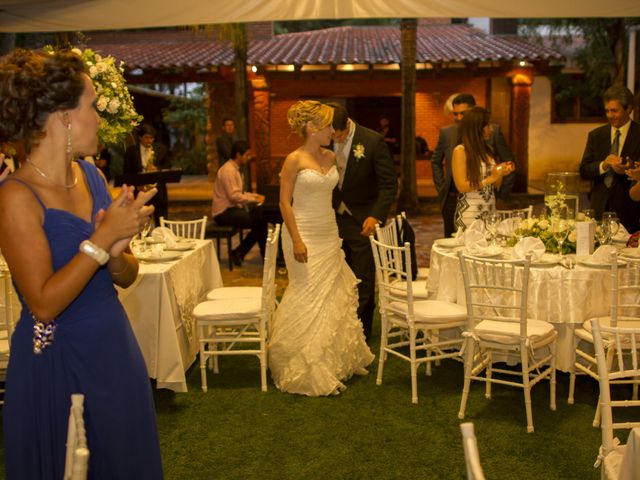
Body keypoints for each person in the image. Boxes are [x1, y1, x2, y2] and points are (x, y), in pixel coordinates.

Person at [0, 48, 163, 479]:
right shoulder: (16, 197)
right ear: (64, 116)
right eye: (92, 105)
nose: (98, 116)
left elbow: (127, 274)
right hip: (57, 361)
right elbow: (43, 303)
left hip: (113, 349)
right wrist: (100, 240)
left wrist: (115, 253)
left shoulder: (90, 175)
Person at [269, 100, 374, 396]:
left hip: (328, 231)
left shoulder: (330, 155)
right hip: (302, 232)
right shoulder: (294, 159)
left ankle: (334, 361)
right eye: (328, 125)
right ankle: (306, 365)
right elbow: (283, 202)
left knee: (331, 294)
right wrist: (298, 239)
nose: (333, 130)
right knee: (308, 292)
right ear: (312, 128)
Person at [329, 102, 397, 340]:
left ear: (348, 124)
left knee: (363, 278)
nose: (335, 140)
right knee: (335, 277)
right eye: (332, 136)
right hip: (331, 218)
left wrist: (375, 215)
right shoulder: (322, 137)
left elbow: (389, 185)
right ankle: (337, 328)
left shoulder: (372, 141)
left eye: (339, 136)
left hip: (362, 221)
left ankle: (361, 332)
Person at [431, 93, 516, 237]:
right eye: (455, 114)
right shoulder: (457, 144)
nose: (459, 118)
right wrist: (441, 188)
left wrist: (500, 181)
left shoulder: (487, 147)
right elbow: (437, 163)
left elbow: (495, 176)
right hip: (463, 206)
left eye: (463, 113)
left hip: (488, 206)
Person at [579, 85, 640, 233]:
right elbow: (583, 170)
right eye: (607, 111)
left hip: (629, 210)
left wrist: (627, 168)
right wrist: (604, 165)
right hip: (599, 208)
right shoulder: (596, 135)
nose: (610, 115)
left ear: (629, 109)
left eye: (614, 110)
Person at [452, 106, 515, 230]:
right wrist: (490, 178)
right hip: (470, 215)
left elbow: (494, 185)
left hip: (490, 212)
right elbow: (461, 186)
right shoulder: (460, 151)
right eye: (487, 126)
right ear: (476, 128)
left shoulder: (488, 151)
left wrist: (501, 173)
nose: (491, 129)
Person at [210, 140, 267, 266]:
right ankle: (261, 256)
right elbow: (234, 196)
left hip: (231, 210)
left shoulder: (235, 169)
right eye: (246, 155)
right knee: (260, 221)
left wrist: (256, 196)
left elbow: (240, 192)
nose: (248, 158)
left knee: (260, 220)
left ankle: (239, 253)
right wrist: (255, 199)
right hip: (223, 213)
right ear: (238, 155)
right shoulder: (228, 171)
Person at [123, 123, 171, 224]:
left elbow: (168, 166)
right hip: (140, 191)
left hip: (158, 190)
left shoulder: (161, 149)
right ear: (140, 137)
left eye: (152, 138)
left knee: (162, 221)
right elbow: (127, 172)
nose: (149, 141)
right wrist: (137, 185)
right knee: (141, 222)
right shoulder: (131, 151)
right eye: (146, 137)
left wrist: (157, 169)